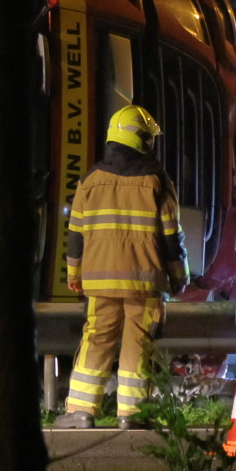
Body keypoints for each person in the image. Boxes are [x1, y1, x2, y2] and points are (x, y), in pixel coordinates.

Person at [55, 105, 187, 429]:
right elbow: (172, 237)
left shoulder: (90, 180)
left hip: (99, 282)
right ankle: (132, 414)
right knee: (137, 344)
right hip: (144, 283)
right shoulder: (157, 180)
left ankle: (80, 412)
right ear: (141, 139)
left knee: (97, 339)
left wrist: (74, 275)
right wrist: (179, 277)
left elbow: (75, 235)